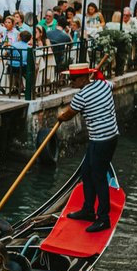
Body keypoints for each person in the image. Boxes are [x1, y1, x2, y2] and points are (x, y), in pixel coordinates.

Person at [57, 66, 119, 232]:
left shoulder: (81, 96)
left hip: (102, 140)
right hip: (106, 137)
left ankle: (103, 218)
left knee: (98, 177)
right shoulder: (104, 84)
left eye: (74, 79)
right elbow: (115, 85)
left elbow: (67, 115)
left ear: (84, 78)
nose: (71, 82)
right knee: (86, 172)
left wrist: (59, 116)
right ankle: (88, 210)